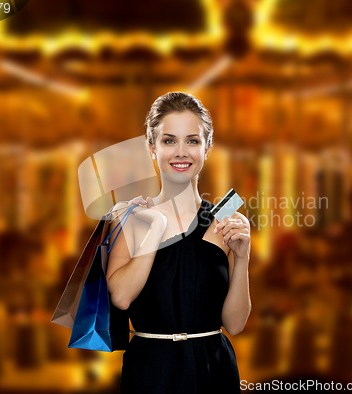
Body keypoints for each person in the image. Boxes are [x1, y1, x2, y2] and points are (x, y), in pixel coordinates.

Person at [107, 92, 251, 394]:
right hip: (151, 371)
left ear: (207, 147)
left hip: (214, 370)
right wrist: (156, 226)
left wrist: (243, 260)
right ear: (151, 147)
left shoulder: (225, 221)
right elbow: (120, 297)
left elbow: (235, 324)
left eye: (193, 141)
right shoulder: (131, 217)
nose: (181, 152)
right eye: (169, 140)